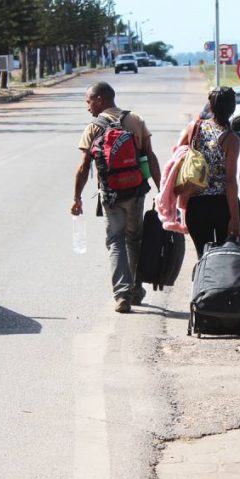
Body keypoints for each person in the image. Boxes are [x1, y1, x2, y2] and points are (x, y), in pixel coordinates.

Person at [71, 82, 161, 313]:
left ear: (100, 100)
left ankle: (122, 294)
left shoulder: (93, 127)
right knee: (134, 239)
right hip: (136, 191)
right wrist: (161, 190)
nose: (87, 107)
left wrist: (77, 197)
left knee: (115, 240)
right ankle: (135, 288)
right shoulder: (136, 120)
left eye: (89, 101)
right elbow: (150, 157)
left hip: (111, 194)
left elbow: (83, 167)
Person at [177, 86, 240, 257]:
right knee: (223, 258)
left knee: (202, 256)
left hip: (196, 204)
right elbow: (230, 181)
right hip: (222, 206)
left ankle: (199, 283)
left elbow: (178, 152)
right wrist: (235, 219)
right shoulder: (231, 139)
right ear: (232, 108)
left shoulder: (194, 128)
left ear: (210, 107)